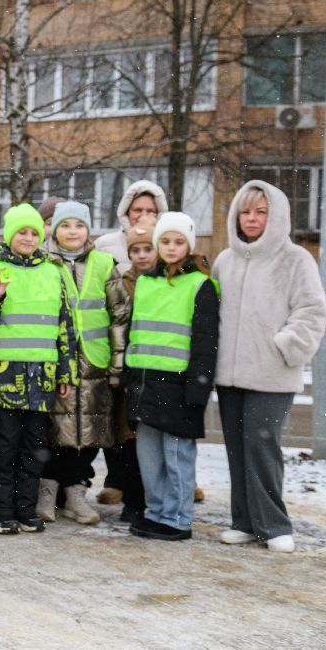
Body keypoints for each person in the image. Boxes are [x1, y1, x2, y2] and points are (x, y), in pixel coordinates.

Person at [213, 180, 326, 553]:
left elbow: (312, 310)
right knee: (235, 449)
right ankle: (244, 522)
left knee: (262, 447)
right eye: (245, 211)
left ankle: (274, 525)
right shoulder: (225, 260)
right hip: (229, 374)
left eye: (260, 212)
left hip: (272, 373)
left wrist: (287, 346)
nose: (251, 218)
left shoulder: (295, 259)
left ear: (274, 215)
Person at [0, 204, 76, 534]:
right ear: (9, 234)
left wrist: (66, 373)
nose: (29, 238)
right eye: (22, 232)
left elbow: (65, 326)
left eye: (34, 232)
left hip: (41, 379)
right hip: (3, 377)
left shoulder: (53, 272)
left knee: (34, 451)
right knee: (2, 449)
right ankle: (0, 511)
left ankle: (25, 509)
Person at [125, 212, 220, 542]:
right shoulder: (147, 282)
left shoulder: (200, 285)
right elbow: (137, 334)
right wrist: (129, 377)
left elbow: (205, 342)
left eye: (179, 242)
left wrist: (198, 388)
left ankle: (178, 518)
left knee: (176, 456)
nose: (171, 247)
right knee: (149, 457)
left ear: (189, 245)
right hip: (146, 382)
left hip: (179, 386)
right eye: (165, 241)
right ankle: (156, 512)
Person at [40, 201, 126, 526]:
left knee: (88, 430)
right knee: (54, 427)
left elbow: (119, 314)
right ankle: (47, 492)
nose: (72, 232)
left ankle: (77, 493)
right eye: (65, 225)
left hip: (94, 361)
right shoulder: (45, 263)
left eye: (79, 225)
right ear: (55, 230)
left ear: (88, 230)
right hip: (57, 359)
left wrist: (117, 362)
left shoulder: (105, 263)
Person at [102, 220, 156, 523]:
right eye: (135, 250)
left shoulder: (166, 280)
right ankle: (133, 501)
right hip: (131, 371)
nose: (142, 255)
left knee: (153, 436)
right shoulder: (123, 281)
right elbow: (117, 324)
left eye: (148, 248)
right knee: (129, 436)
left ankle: (155, 500)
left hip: (160, 370)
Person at [95, 181, 168, 274]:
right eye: (138, 210)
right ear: (127, 212)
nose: (143, 216)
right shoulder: (103, 245)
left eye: (150, 211)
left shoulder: (167, 246)